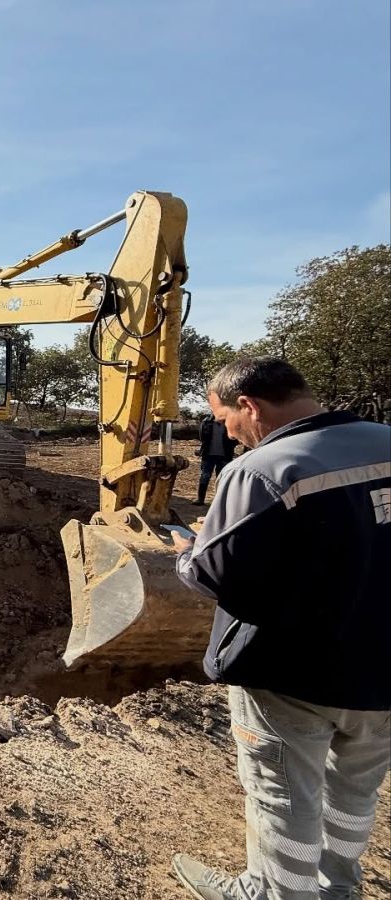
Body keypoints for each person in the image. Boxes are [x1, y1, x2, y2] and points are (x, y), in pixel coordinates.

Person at [168, 357, 391, 900]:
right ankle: (338, 886)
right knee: (355, 789)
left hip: (293, 673)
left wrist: (188, 551)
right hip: (383, 667)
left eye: (224, 419)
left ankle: (275, 892)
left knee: (283, 795)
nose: (227, 432)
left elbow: (217, 574)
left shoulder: (264, 469)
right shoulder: (385, 439)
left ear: (250, 405)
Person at [194, 412, 239, 504]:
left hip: (225, 456)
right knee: (204, 477)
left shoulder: (230, 423)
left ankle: (220, 501)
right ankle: (200, 499)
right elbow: (202, 437)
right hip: (208, 455)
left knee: (222, 479)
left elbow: (235, 438)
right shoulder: (206, 422)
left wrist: (230, 448)